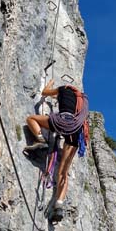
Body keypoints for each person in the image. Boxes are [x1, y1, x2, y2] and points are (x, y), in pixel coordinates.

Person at [25, 80, 89, 221]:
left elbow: (45, 92)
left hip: (62, 121)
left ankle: (40, 139)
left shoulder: (63, 89)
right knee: (63, 172)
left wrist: (51, 84)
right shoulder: (81, 101)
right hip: (75, 130)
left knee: (31, 119)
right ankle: (59, 205)